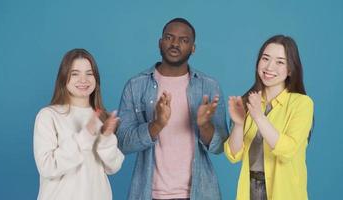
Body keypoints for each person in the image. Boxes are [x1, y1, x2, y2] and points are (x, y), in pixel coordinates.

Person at [116, 18, 228, 200]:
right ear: (160, 43)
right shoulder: (135, 86)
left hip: (199, 193)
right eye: (169, 37)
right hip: (149, 194)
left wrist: (204, 125)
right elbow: (122, 143)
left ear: (193, 48)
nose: (175, 44)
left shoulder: (208, 87)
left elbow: (220, 146)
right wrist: (157, 124)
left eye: (184, 40)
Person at [224, 35, 314, 200]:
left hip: (284, 192)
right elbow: (233, 155)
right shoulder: (250, 101)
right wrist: (238, 124)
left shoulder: (302, 103)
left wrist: (259, 117)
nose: (269, 67)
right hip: (250, 189)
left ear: (290, 69)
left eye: (280, 62)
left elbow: (288, 151)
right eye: (265, 59)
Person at [33, 48, 124, 200]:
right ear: (64, 78)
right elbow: (47, 167)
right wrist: (86, 135)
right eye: (75, 73)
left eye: (89, 73)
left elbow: (113, 167)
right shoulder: (48, 116)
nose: (83, 80)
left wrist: (107, 137)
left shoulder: (102, 117)